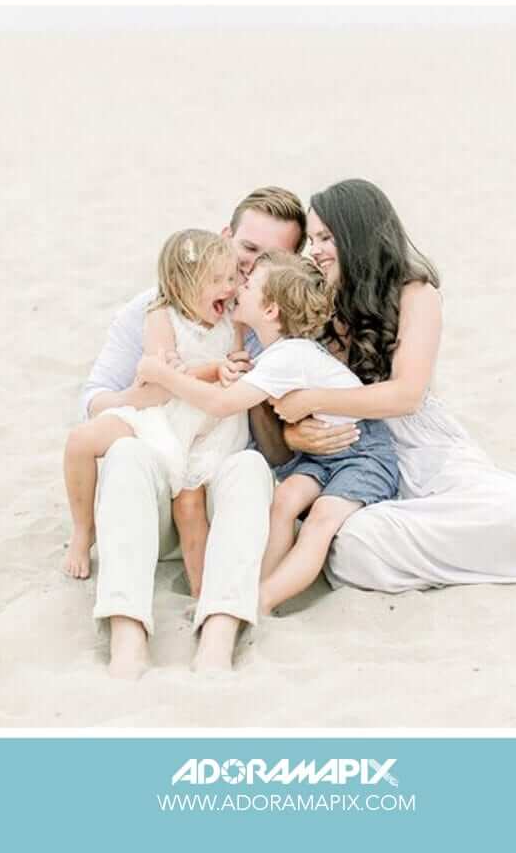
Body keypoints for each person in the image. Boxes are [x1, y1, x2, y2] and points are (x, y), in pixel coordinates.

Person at [267, 179, 516, 595]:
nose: (316, 250)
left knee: (508, 511)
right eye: (313, 239)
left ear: (356, 234)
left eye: (327, 237)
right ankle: (491, 554)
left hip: (424, 449)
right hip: (358, 462)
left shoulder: (415, 293)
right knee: (358, 552)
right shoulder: (314, 297)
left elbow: (406, 395)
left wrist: (313, 400)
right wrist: (294, 430)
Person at [85, 187, 331, 679]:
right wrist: (147, 389)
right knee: (126, 455)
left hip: (220, 497)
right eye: (247, 250)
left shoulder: (269, 318)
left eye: (269, 258)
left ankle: (217, 631)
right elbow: (93, 399)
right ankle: (128, 634)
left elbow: (278, 445)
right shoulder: (154, 308)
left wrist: (277, 414)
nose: (248, 269)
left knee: (251, 465)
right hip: (155, 488)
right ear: (225, 238)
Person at [135, 251, 400, 617]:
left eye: (248, 284)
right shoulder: (280, 356)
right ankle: (256, 587)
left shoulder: (288, 357)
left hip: (364, 453)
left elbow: (221, 404)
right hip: (323, 455)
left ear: (272, 310)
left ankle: (261, 600)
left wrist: (164, 375)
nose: (238, 287)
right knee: (284, 501)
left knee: (321, 520)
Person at [63, 229, 247, 592]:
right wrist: (214, 370)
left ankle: (201, 591)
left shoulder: (232, 320)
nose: (229, 287)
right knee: (80, 441)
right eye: (216, 280)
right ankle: (83, 531)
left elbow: (235, 365)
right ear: (181, 284)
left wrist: (229, 368)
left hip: (207, 425)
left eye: (232, 277)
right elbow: (163, 383)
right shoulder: (161, 315)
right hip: (161, 415)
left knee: (190, 505)